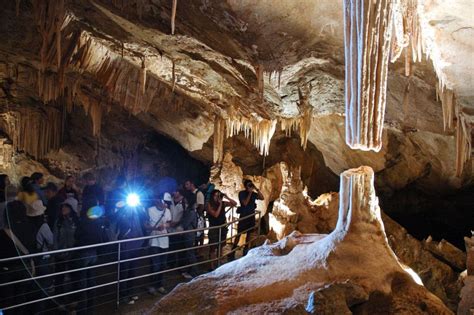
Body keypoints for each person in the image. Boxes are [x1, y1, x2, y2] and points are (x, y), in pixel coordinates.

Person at [116, 200, 146, 305]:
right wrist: (124, 208)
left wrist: (140, 207)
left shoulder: (137, 212)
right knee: (124, 270)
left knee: (133, 270)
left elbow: (144, 219)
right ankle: (123, 295)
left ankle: (130, 291)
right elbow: (122, 223)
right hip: (126, 246)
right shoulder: (122, 212)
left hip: (136, 245)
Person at [230, 179, 264, 259]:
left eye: (251, 185)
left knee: (249, 234)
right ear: (245, 186)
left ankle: (245, 250)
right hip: (244, 216)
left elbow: (262, 198)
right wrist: (249, 192)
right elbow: (245, 203)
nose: (250, 186)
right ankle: (233, 251)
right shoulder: (242, 193)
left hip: (251, 216)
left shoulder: (253, 193)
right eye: (249, 185)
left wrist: (256, 189)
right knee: (239, 233)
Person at [146, 195, 171, 295]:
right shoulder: (150, 210)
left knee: (162, 264)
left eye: (167, 203)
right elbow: (145, 226)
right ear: (158, 201)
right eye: (164, 202)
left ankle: (160, 285)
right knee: (155, 264)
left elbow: (170, 223)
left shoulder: (167, 211)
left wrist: (165, 225)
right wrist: (156, 229)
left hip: (164, 240)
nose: (165, 204)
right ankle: (152, 285)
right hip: (154, 241)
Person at [206, 190, 236, 269]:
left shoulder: (222, 203)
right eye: (215, 195)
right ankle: (212, 266)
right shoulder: (209, 204)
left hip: (222, 227)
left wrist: (227, 197)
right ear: (212, 196)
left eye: (218, 195)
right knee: (213, 247)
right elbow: (215, 215)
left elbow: (234, 204)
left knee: (221, 246)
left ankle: (219, 263)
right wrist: (220, 205)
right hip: (214, 228)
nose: (217, 197)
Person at [53, 203, 78, 296]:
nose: (63, 208)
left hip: (72, 253)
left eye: (66, 206)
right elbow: (55, 236)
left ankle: (74, 296)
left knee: (74, 274)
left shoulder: (75, 221)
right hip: (61, 253)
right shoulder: (58, 221)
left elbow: (77, 236)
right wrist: (56, 251)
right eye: (62, 207)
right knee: (59, 276)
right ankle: (59, 296)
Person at [180, 191, 198, 279]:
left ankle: (193, 272)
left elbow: (185, 223)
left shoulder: (190, 211)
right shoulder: (191, 210)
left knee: (190, 253)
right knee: (188, 252)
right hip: (189, 233)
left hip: (189, 234)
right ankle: (189, 270)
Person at [184, 179, 205, 249]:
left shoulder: (199, 193)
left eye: (187, 184)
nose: (185, 186)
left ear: (192, 184)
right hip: (192, 216)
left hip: (196, 216)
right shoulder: (190, 194)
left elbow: (201, 206)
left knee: (199, 234)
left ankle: (199, 250)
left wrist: (196, 213)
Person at [167, 190, 185, 268]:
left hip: (179, 229)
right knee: (171, 247)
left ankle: (180, 265)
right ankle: (171, 264)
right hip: (170, 229)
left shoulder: (184, 201)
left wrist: (177, 223)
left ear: (179, 192)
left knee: (179, 247)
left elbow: (185, 215)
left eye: (175, 191)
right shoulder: (169, 201)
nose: (173, 193)